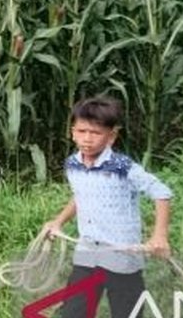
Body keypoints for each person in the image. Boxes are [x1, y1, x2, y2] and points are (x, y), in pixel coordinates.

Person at [42, 96, 173, 318]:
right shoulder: (73, 164)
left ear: (111, 136)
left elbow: (162, 192)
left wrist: (159, 236)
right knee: (73, 313)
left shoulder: (122, 167)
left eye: (95, 133)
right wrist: (58, 222)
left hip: (122, 256)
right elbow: (80, 196)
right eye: (82, 131)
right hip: (88, 252)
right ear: (72, 132)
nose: (87, 139)